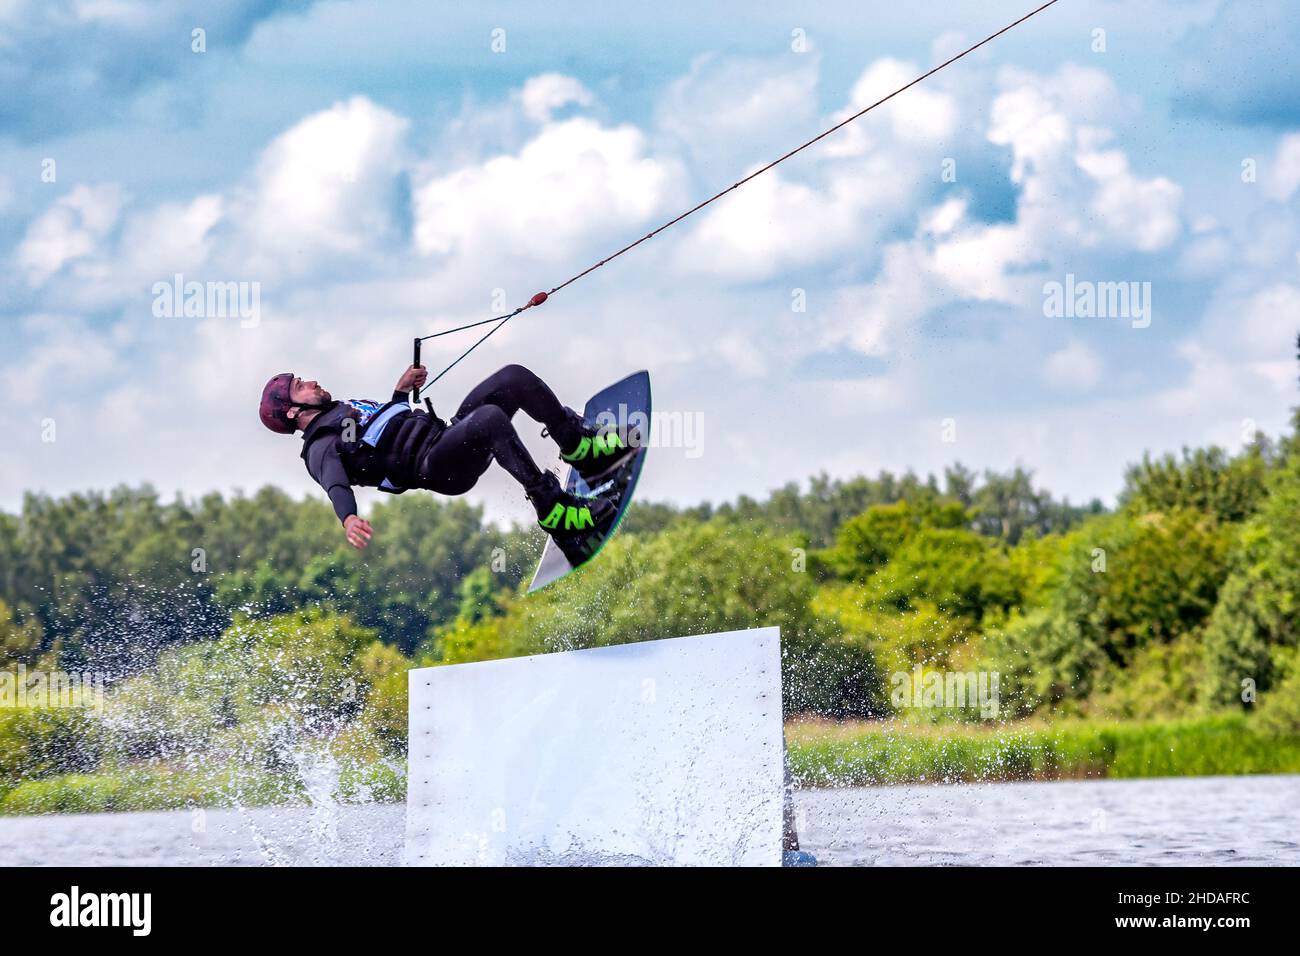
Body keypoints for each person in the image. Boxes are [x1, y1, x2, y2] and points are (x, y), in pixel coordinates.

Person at [258, 363, 631, 553]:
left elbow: (386, 432)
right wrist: (348, 518)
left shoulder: (341, 411)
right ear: (292, 412)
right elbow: (334, 481)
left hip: (447, 436)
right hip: (439, 467)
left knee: (513, 377)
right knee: (489, 419)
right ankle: (555, 511)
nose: (311, 383)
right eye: (299, 387)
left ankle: (579, 447)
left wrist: (400, 392)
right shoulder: (321, 445)